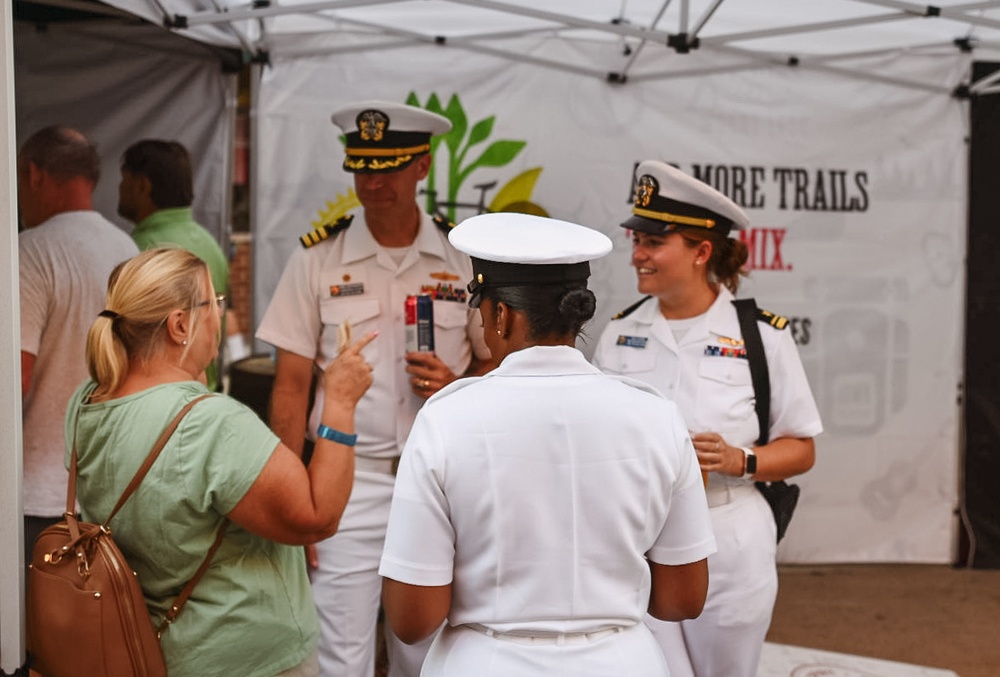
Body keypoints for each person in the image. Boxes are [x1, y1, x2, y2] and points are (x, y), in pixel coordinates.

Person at [378, 212, 717, 677]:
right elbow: (682, 599)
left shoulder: (446, 419)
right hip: (623, 662)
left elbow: (413, 619)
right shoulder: (655, 416)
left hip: (489, 663)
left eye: (480, 310)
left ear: (500, 315)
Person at [256, 100, 493, 677]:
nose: (373, 182)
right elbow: (289, 389)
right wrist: (293, 502)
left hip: (441, 480)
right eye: (362, 167)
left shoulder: (464, 257)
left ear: (422, 166)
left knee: (433, 650)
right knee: (340, 655)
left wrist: (458, 384)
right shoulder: (317, 257)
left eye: (388, 167)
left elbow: (502, 365)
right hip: (346, 484)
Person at [66, 247, 376, 677]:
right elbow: (316, 517)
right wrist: (339, 402)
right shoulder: (209, 424)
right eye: (214, 302)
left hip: (153, 648)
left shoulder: (86, 401)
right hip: (244, 657)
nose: (219, 313)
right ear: (179, 325)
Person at [592, 160, 823, 677]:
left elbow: (802, 448)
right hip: (639, 537)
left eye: (654, 241)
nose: (638, 255)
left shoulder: (762, 335)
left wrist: (740, 459)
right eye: (636, 240)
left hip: (730, 536)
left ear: (700, 251)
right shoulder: (619, 332)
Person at [17, 125, 139, 564]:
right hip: (107, 491)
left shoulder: (29, 252)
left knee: (30, 630)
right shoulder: (125, 248)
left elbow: (16, 378)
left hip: (36, 495)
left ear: (33, 175)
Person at [118, 139, 229, 390]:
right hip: (203, 394)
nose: (119, 188)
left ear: (142, 186)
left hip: (162, 399)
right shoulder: (209, 243)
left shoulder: (138, 250)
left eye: (124, 179)